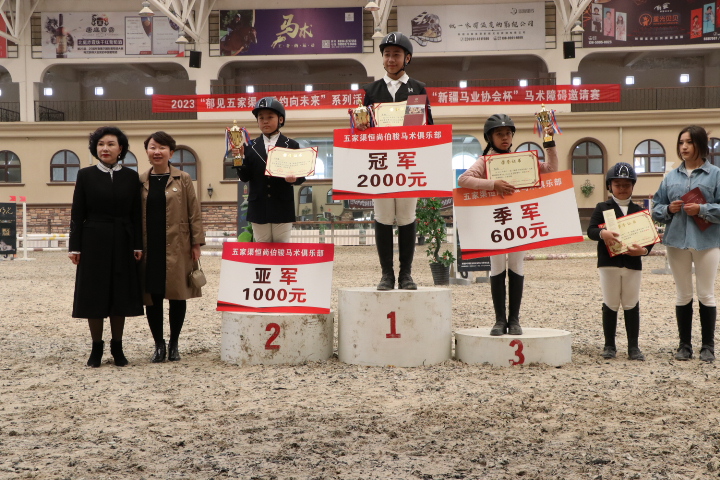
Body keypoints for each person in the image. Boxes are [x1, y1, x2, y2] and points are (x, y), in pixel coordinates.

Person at [458, 114, 557, 335]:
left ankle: (514, 320)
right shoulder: (484, 161)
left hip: (519, 218)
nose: (505, 138)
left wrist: (549, 140)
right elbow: (463, 179)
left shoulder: (523, 160)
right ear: (490, 138)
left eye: (508, 133)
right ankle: (499, 320)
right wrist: (493, 184)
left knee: (516, 266)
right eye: (499, 134)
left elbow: (550, 168)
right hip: (495, 220)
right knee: (497, 267)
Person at [357, 31, 434, 290]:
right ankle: (387, 274)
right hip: (380, 163)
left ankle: (406, 275)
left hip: (407, 162)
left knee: (406, 216)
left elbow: (424, 128)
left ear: (407, 58)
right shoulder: (371, 91)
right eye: (387, 54)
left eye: (396, 55)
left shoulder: (418, 89)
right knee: (382, 216)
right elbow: (363, 130)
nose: (391, 59)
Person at [69, 126, 143, 367]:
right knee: (94, 292)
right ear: (95, 148)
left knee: (119, 292)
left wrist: (138, 244)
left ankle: (117, 347)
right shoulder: (85, 175)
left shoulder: (131, 177)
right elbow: (77, 212)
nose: (105, 148)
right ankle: (96, 348)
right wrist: (75, 247)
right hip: (93, 240)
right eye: (101, 144)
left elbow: (136, 214)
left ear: (120, 149)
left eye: (111, 144)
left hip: (123, 239)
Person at [652, 125, 720, 362]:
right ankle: (684, 346)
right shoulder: (670, 177)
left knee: (706, 294)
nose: (684, 147)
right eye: (681, 142)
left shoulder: (716, 174)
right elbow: (656, 208)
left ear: (700, 144)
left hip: (707, 242)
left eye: (689, 142)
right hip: (676, 242)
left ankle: (708, 347)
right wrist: (668, 210)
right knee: (683, 294)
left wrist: (702, 209)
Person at [139, 131, 205, 362]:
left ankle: (174, 342)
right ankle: (159, 344)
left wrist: (196, 243)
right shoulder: (141, 181)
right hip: (150, 246)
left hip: (178, 244)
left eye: (162, 148)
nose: (157, 152)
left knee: (178, 295)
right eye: (153, 147)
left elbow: (194, 211)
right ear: (147, 151)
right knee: (153, 297)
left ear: (171, 152)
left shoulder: (183, 178)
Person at [587, 163, 652, 361]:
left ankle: (633, 347)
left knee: (631, 303)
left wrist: (643, 251)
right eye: (617, 185)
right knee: (611, 303)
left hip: (632, 264)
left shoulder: (639, 210)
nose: (622, 188)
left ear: (633, 186)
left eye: (626, 185)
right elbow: (591, 231)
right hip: (609, 263)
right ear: (610, 186)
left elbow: (649, 239)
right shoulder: (602, 207)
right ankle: (609, 345)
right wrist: (602, 233)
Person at [233, 97, 305, 243]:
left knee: (282, 246)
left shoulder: (292, 145)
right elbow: (245, 177)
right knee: (262, 246)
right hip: (258, 206)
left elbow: (301, 177)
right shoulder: (249, 146)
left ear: (281, 119)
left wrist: (294, 179)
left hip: (282, 205)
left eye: (270, 117)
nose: (265, 121)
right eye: (261, 118)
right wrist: (238, 159)